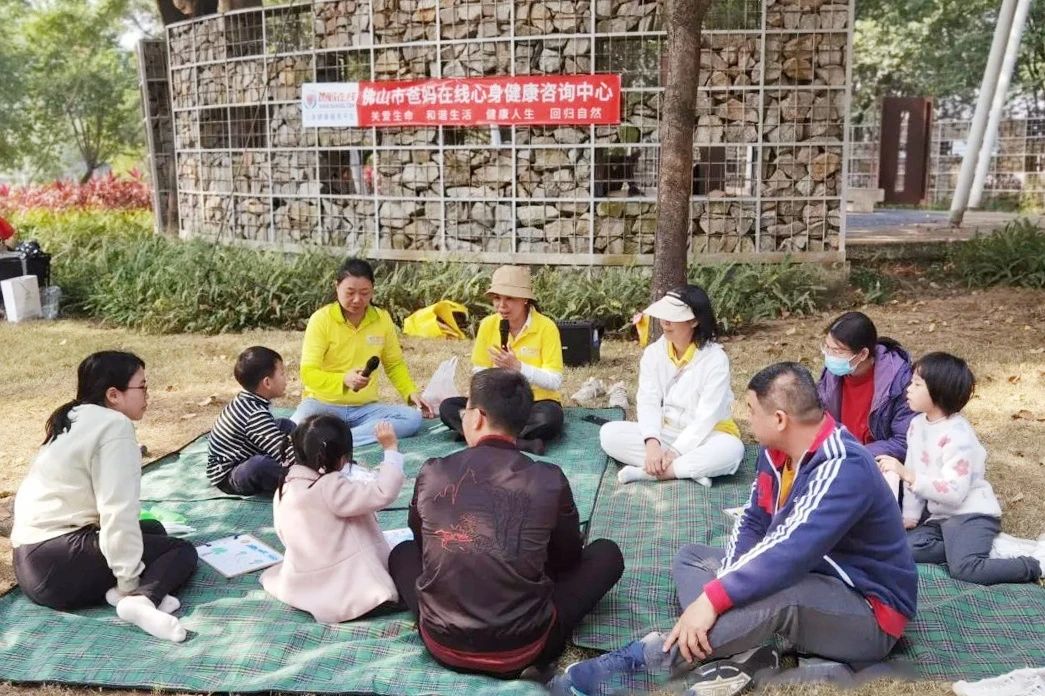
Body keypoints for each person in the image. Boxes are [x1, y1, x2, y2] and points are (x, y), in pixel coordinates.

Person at [552, 363, 917, 696]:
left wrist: (712, 600)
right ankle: (744, 650)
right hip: (810, 576)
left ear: (779, 419)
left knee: (779, 593)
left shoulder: (843, 467)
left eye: (752, 411)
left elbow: (788, 551)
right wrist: (720, 592)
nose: (746, 419)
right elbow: (756, 520)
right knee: (693, 559)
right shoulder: (776, 451)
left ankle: (646, 661)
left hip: (869, 611)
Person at [389, 368, 624, 678]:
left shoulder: (434, 471)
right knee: (607, 553)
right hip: (526, 647)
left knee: (402, 552)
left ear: (477, 417)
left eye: (466, 408)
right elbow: (567, 560)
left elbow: (422, 544)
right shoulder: (548, 478)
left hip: (443, 643)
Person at [11, 351, 198, 642]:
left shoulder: (74, 415)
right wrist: (128, 581)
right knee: (181, 551)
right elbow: (117, 511)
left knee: (154, 529)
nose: (148, 395)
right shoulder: (115, 425)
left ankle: (116, 593)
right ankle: (140, 601)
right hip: (57, 567)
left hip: (30, 563)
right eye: (143, 387)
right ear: (113, 395)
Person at [876, 352, 1044, 584]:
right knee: (902, 551)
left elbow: (954, 493)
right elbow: (914, 468)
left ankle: (1034, 564)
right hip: (940, 518)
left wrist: (907, 474)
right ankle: (973, 545)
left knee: (965, 569)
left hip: (971, 514)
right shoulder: (916, 425)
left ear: (939, 392)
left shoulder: (958, 435)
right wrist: (910, 516)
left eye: (917, 384)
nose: (908, 389)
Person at [260, 415, 405, 623]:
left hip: (304, 578)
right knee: (405, 556)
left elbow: (283, 533)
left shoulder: (286, 486)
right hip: (350, 588)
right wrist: (391, 450)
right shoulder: (330, 487)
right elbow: (383, 492)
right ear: (340, 458)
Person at [599, 286, 744, 486]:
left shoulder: (715, 359)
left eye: (673, 316)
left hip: (709, 434)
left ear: (694, 321)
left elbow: (707, 416)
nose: (665, 322)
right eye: (663, 315)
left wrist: (675, 452)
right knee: (609, 435)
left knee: (731, 451)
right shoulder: (653, 353)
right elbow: (648, 399)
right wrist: (652, 444)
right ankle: (688, 470)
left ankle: (654, 472)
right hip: (667, 431)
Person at [292, 258, 433, 446]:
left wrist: (410, 392)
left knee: (411, 418)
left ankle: (339, 440)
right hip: (322, 405)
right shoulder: (321, 319)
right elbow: (308, 373)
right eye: (350, 292)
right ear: (337, 287)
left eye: (365, 293)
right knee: (294, 427)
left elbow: (393, 364)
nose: (357, 300)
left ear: (373, 290)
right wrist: (344, 379)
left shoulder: (382, 319)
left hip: (364, 409)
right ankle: (342, 438)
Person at [438, 265, 564, 455]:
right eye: (497, 298)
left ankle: (480, 436)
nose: (501, 305)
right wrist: (493, 376)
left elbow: (554, 381)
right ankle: (520, 443)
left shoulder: (547, 327)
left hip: (534, 403)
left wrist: (518, 367)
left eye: (509, 298)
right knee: (448, 408)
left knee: (549, 417)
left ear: (525, 300)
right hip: (495, 404)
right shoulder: (488, 325)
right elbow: (479, 370)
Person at [817, 311, 916, 461]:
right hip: (838, 455)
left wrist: (854, 453)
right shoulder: (831, 375)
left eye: (837, 351)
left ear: (863, 354)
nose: (830, 356)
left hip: (877, 462)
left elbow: (903, 441)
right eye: (827, 348)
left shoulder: (898, 382)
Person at [206, 346, 294, 496]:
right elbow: (282, 450)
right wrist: (311, 468)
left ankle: (306, 456)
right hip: (230, 474)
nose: (287, 378)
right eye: (282, 373)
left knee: (285, 425)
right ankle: (303, 481)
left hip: (248, 451)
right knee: (261, 466)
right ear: (267, 382)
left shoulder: (248, 398)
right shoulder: (254, 415)